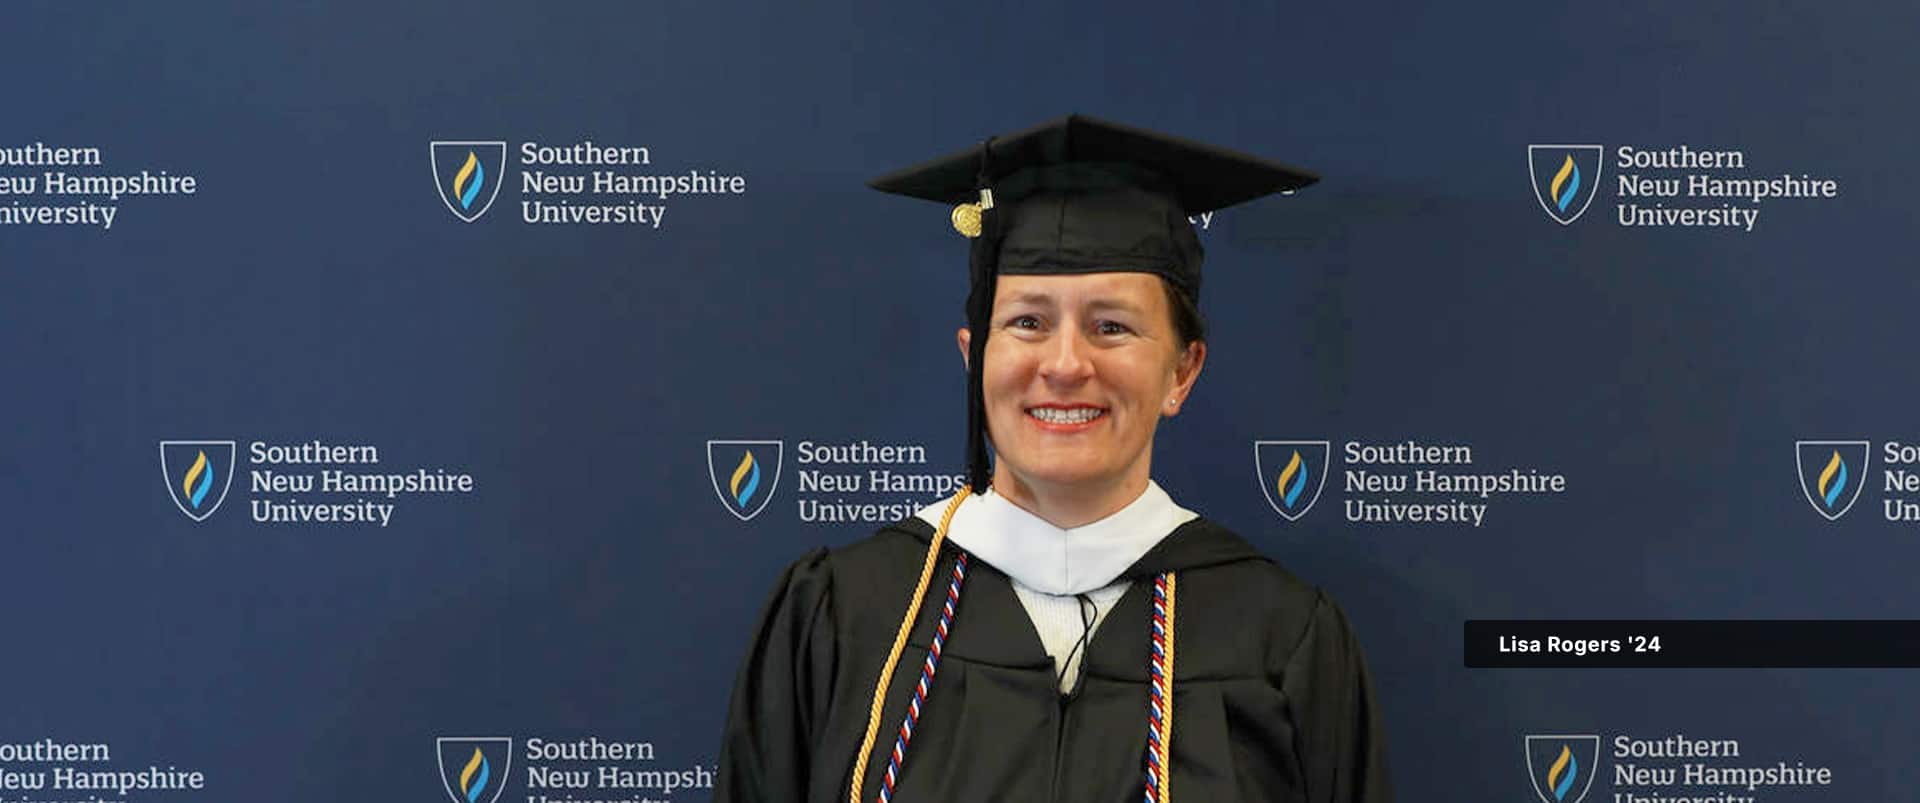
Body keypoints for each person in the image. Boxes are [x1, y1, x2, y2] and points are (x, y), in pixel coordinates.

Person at [715, 114, 1390, 803]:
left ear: (1181, 373)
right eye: (1028, 321)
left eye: (1112, 326)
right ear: (974, 355)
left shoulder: (1282, 637)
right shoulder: (842, 618)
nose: (1066, 364)